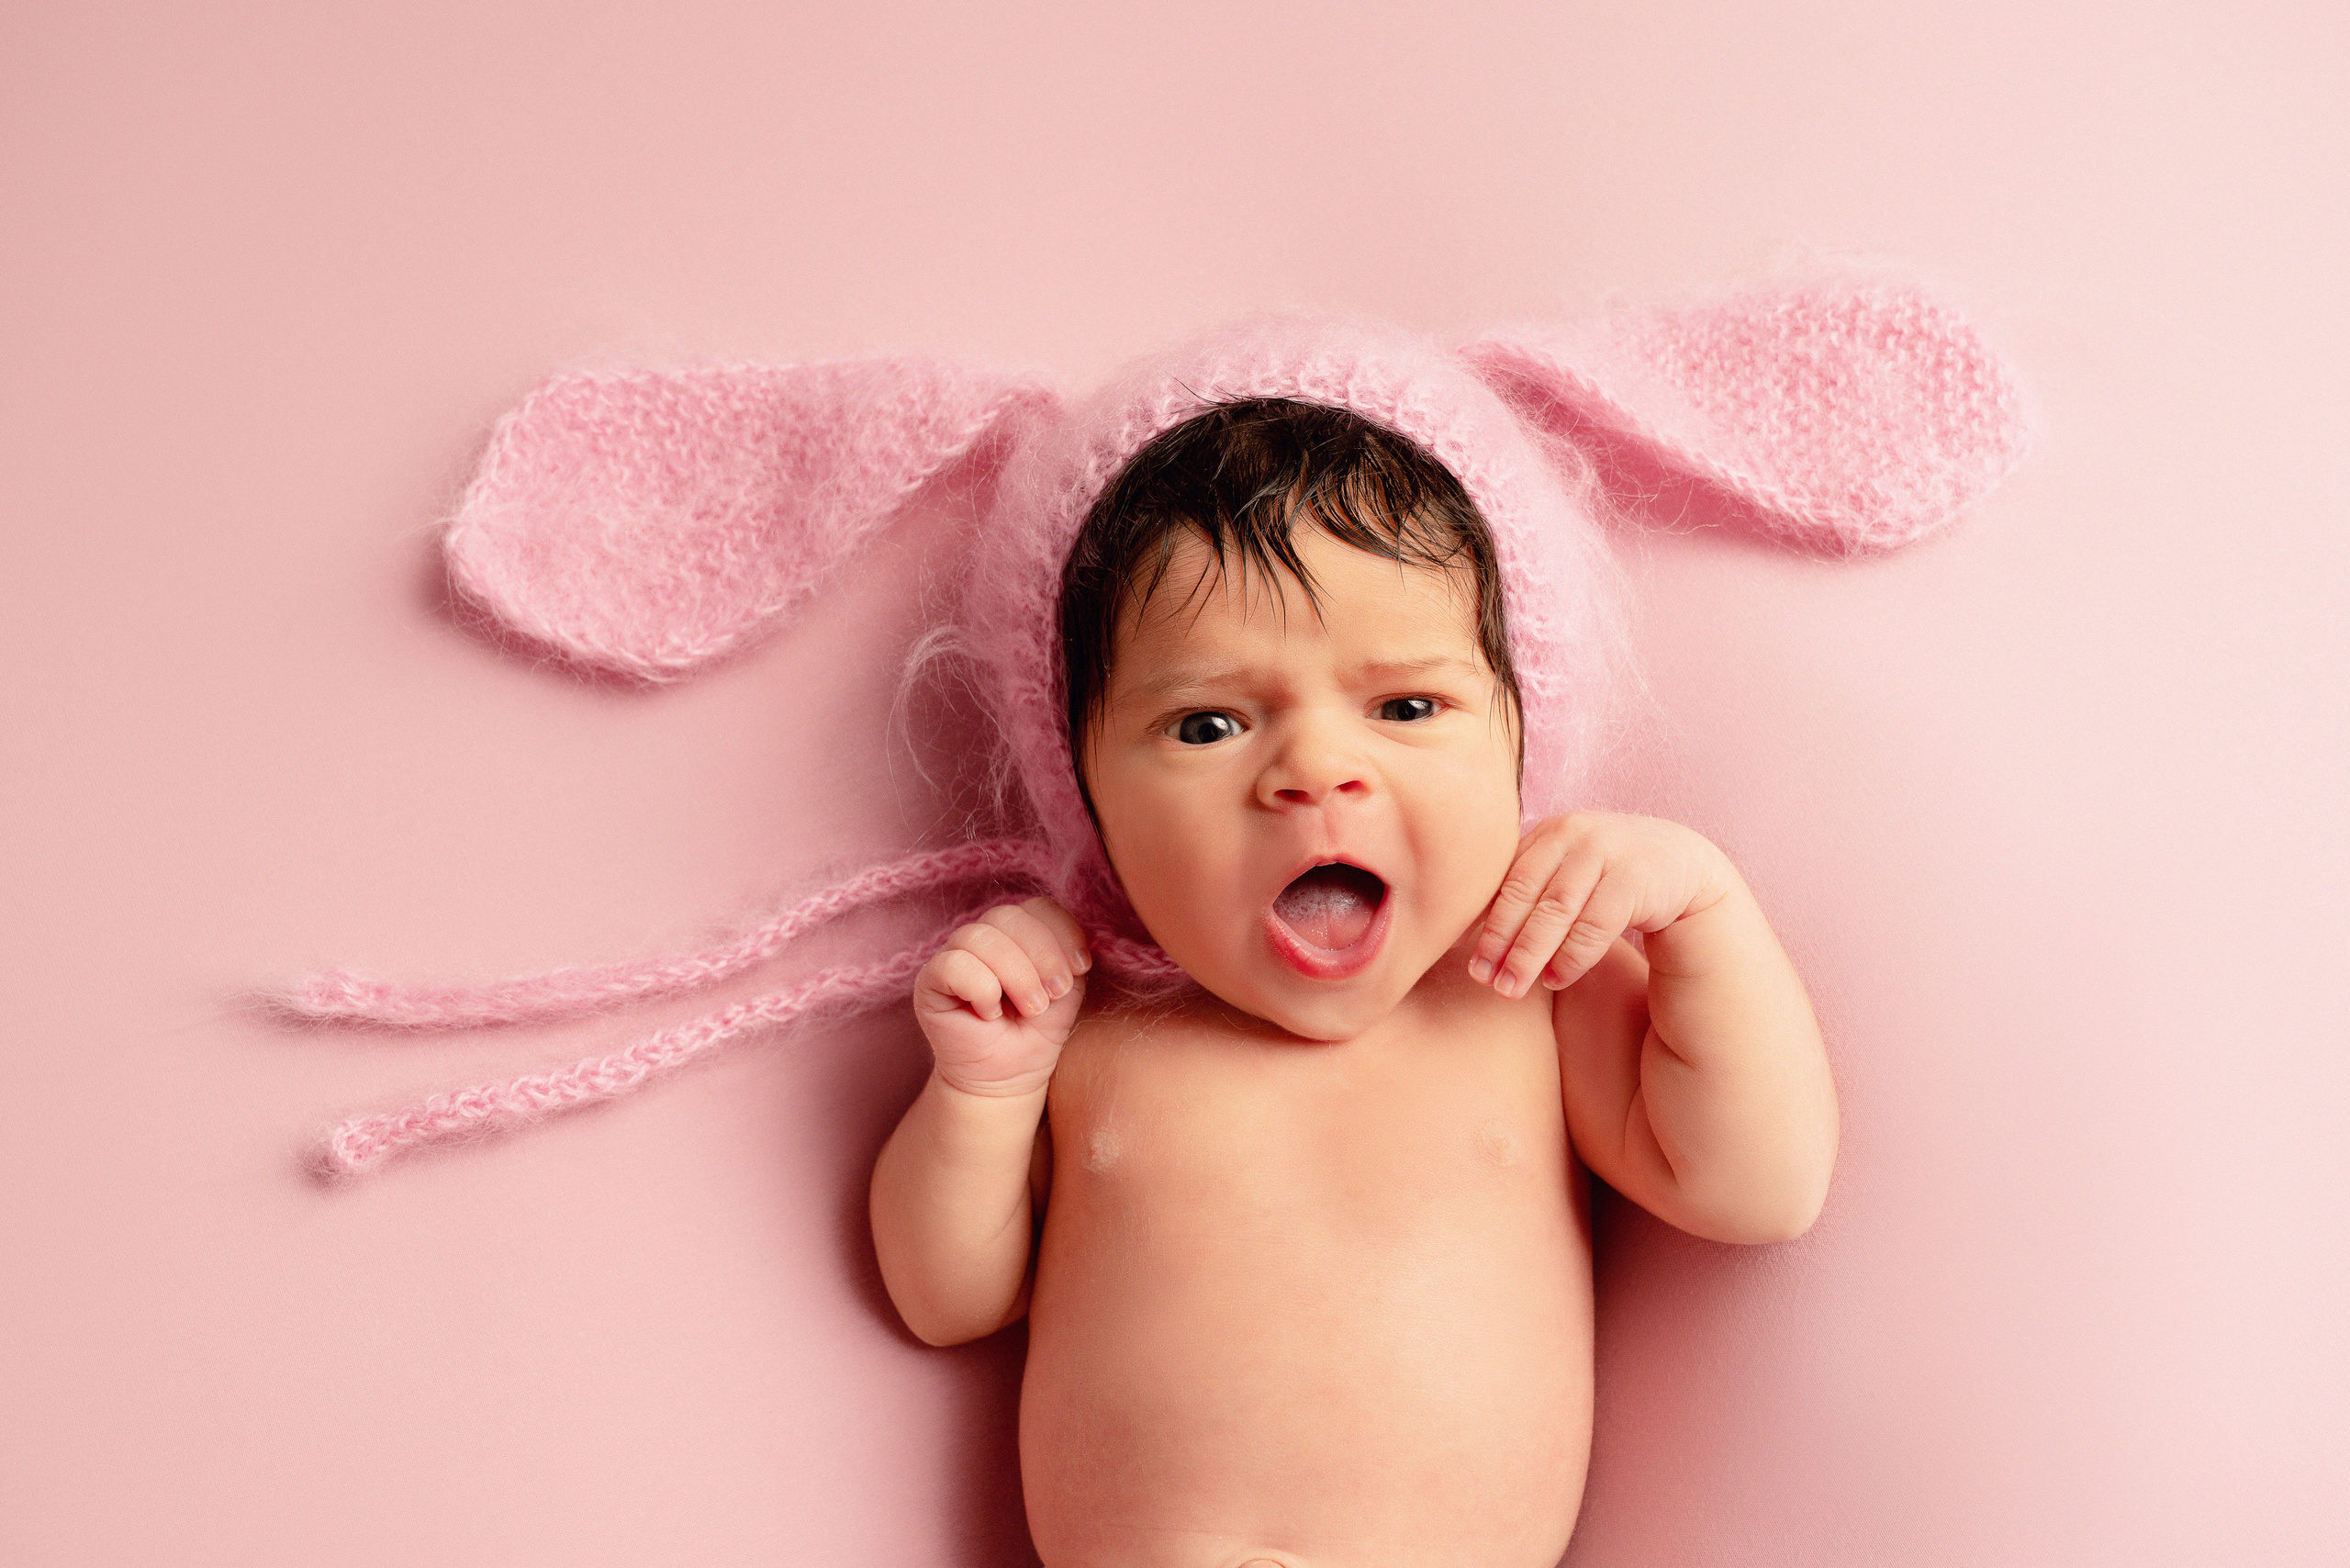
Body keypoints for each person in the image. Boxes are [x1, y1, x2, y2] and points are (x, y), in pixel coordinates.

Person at [869, 398, 1840, 1568]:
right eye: (1207, 722)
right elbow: (946, 1297)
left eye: (1406, 706)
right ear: (1087, 794)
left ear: (1518, 740)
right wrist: (979, 1093)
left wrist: (1705, 916)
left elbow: (1756, 1186)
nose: (1317, 770)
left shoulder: (1524, 987)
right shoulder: (1094, 1027)